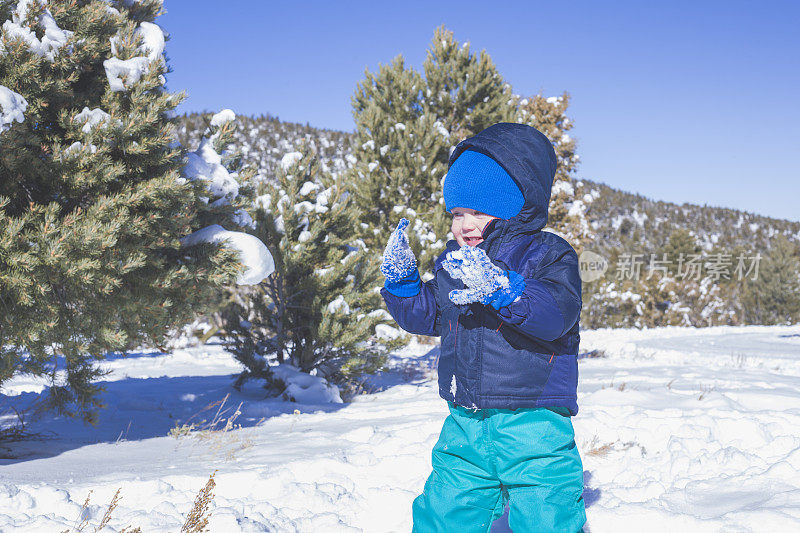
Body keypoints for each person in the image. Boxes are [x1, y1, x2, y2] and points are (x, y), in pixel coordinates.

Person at [380, 123, 586, 532]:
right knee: (447, 506)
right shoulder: (453, 261)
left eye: (478, 211)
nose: (464, 224)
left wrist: (505, 290)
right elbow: (433, 317)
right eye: (457, 213)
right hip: (465, 418)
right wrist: (403, 286)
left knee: (548, 510)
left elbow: (556, 314)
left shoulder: (548, 253)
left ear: (515, 206)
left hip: (533, 420)